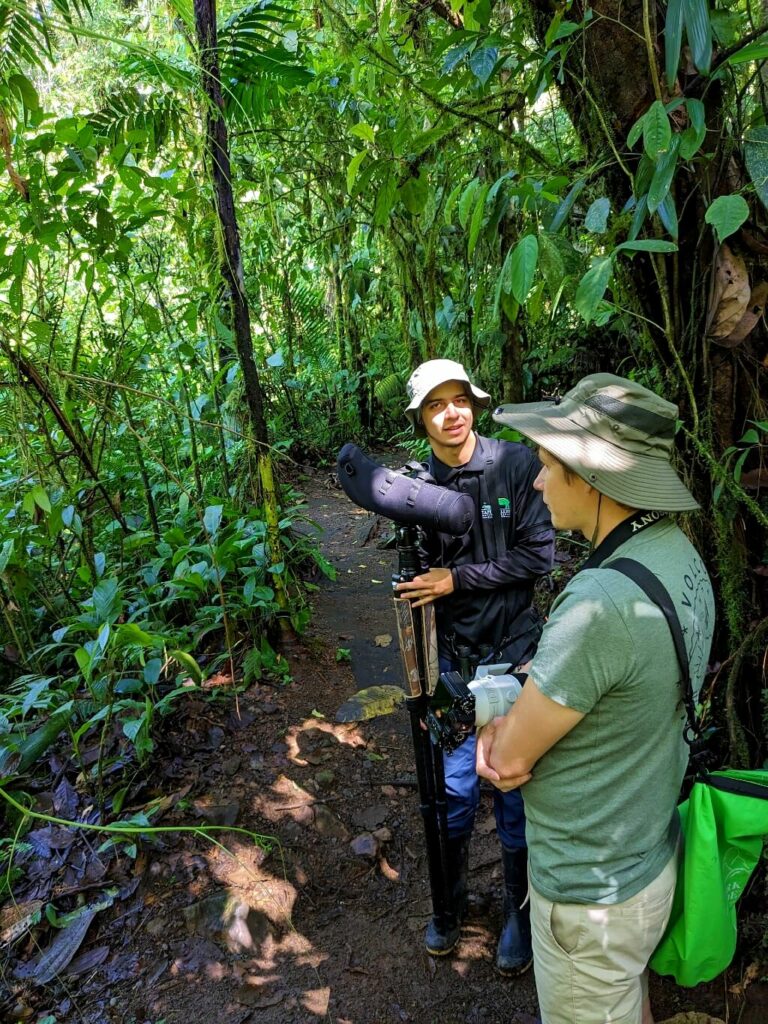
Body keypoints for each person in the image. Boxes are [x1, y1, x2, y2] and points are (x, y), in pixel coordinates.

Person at [476, 374, 715, 1024]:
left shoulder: (599, 603)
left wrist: (498, 735)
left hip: (590, 898)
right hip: (647, 857)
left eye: (549, 464)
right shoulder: (679, 557)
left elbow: (506, 759)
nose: (535, 482)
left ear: (590, 476)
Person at [394, 358, 554, 972]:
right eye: (436, 405)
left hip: (516, 658)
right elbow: (415, 573)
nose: (451, 413)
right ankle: (450, 902)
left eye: (459, 399)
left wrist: (454, 579)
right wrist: (412, 589)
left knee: (513, 793)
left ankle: (516, 912)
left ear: (475, 405)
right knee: (454, 792)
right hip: (449, 666)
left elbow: (538, 556)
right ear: (421, 419)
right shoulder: (416, 485)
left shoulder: (515, 465)